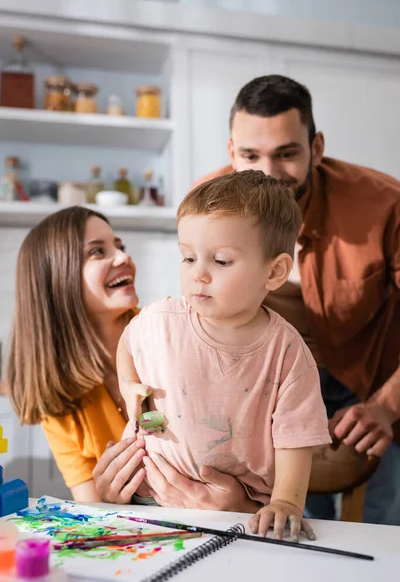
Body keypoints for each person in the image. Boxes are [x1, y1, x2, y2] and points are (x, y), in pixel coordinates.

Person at [194, 74, 400, 525]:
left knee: (389, 520)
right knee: (298, 521)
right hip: (271, 385)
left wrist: (388, 404)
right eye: (251, 155)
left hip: (372, 378)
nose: (267, 173)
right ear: (232, 152)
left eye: (286, 153)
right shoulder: (204, 207)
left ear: (317, 148)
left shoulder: (385, 203)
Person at [118, 170, 331, 540]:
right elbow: (128, 340)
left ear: (275, 271)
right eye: (188, 258)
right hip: (147, 500)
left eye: (221, 261)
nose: (198, 274)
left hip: (241, 513)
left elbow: (296, 440)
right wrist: (128, 385)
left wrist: (286, 503)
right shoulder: (160, 320)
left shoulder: (287, 353)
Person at [6, 206, 254, 511]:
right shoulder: (55, 397)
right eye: (98, 252)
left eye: (119, 245)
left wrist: (239, 503)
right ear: (55, 279)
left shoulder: (176, 332)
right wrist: (109, 499)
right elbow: (91, 509)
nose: (124, 257)